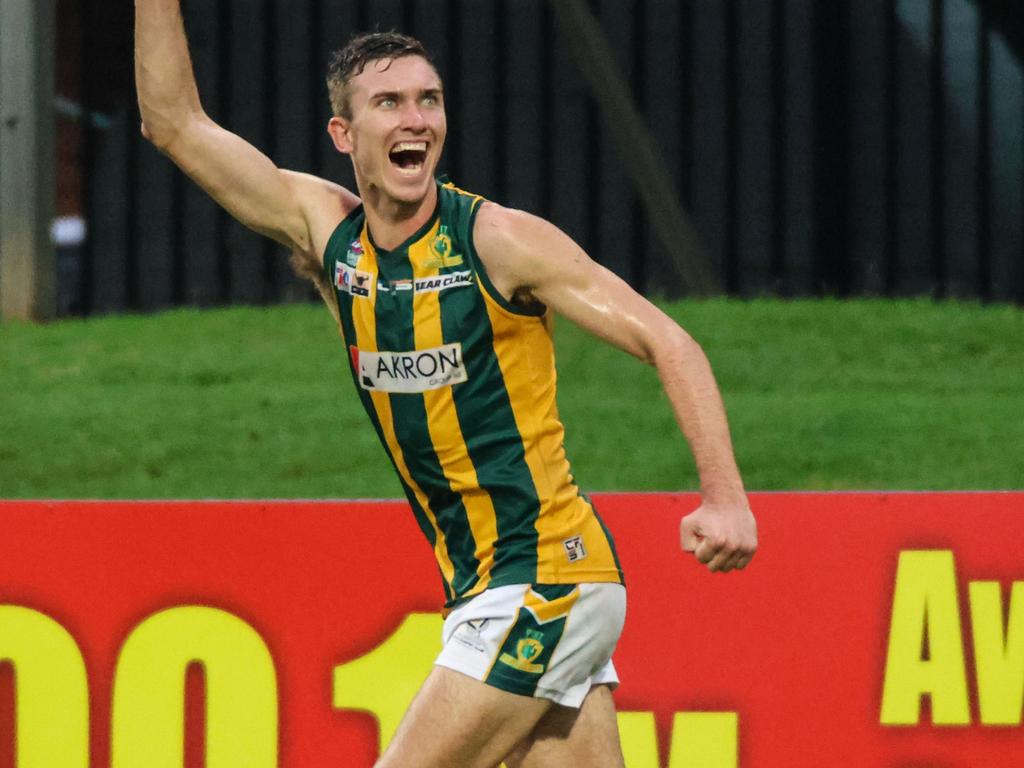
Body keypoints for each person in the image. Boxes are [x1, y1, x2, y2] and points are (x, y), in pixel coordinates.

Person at [134, 3, 758, 766]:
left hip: (544, 577)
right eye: (389, 103)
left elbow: (669, 340)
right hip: (491, 586)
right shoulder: (328, 234)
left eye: (429, 99)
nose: (416, 118)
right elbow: (174, 124)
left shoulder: (497, 241)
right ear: (344, 135)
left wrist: (724, 495)